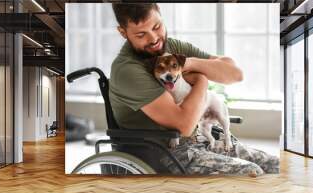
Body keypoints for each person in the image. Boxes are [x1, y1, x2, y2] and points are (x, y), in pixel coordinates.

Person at [109, 3, 279, 175]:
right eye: (141, 34)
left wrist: (190, 63)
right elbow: (184, 126)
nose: (154, 39)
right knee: (252, 172)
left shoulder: (171, 48)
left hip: (200, 141)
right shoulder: (128, 70)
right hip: (166, 154)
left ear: (160, 13)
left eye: (157, 26)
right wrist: (201, 79)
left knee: (275, 164)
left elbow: (235, 74)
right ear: (123, 32)